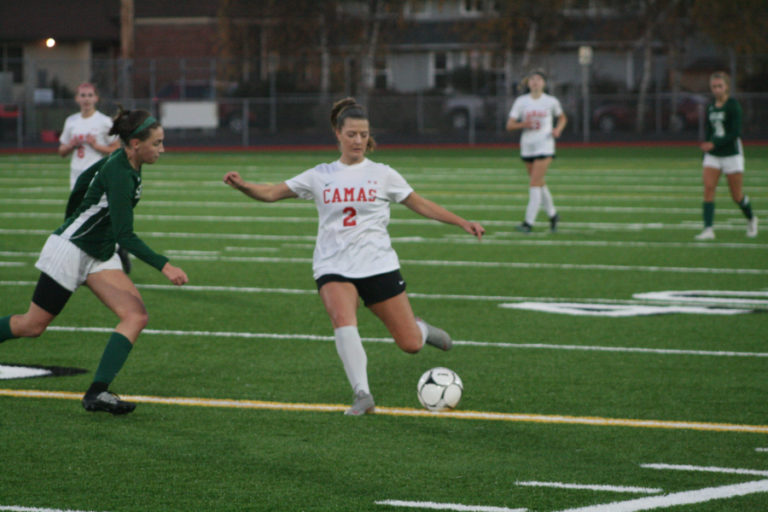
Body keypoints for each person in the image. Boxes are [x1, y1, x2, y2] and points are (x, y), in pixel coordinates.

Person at [223, 97, 485, 416]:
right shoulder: (320, 175)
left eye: (363, 134)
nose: (358, 140)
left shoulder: (383, 174)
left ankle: (422, 330)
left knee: (410, 344)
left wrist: (461, 221)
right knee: (343, 321)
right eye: (352, 134)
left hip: (377, 264)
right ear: (338, 133)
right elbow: (271, 193)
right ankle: (362, 394)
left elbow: (420, 203)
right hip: (333, 265)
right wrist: (243, 186)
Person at [0, 107, 189, 415]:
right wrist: (164, 265)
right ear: (135, 143)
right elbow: (125, 235)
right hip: (72, 251)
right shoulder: (120, 172)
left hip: (98, 252)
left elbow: (81, 186)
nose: (162, 149)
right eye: (157, 143)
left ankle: (97, 393)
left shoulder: (125, 162)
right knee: (31, 326)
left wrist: (74, 219)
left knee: (136, 316)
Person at [58, 83, 130, 272]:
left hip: (98, 176)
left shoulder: (104, 121)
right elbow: (61, 151)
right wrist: (71, 144)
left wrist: (97, 146)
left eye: (90, 95)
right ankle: (84, 255)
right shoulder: (71, 121)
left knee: (99, 214)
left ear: (96, 98)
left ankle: (116, 248)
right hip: (76, 176)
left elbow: (117, 149)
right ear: (77, 99)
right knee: (79, 216)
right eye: (83, 95)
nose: (86, 99)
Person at [695, 71, 757, 240]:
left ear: (727, 87)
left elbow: (735, 132)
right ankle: (708, 229)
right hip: (713, 155)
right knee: (708, 188)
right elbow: (709, 131)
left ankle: (751, 218)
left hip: (731, 154)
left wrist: (714, 143)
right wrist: (707, 147)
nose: (716, 89)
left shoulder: (733, 106)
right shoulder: (710, 106)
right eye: (713, 86)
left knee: (736, 195)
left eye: (719, 86)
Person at [506, 69, 567, 233]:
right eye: (532, 79)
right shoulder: (521, 101)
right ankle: (553, 215)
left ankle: (528, 222)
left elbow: (562, 118)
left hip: (545, 145)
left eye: (539, 79)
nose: (535, 82)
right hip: (527, 146)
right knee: (538, 183)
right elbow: (510, 125)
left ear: (544, 83)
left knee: (534, 183)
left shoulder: (551, 101)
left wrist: (558, 129)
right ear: (528, 83)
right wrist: (523, 124)